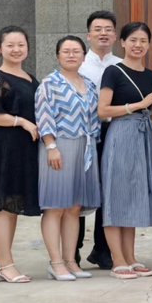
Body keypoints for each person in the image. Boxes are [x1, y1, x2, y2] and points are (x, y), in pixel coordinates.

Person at [98, 22, 152, 280]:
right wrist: (138, 104)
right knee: (116, 196)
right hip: (121, 133)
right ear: (122, 42)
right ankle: (117, 260)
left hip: (144, 135)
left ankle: (131, 257)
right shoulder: (113, 71)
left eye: (143, 40)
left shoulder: (151, 75)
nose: (138, 45)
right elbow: (103, 110)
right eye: (133, 40)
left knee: (134, 196)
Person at [35, 36, 101, 281]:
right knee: (55, 206)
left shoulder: (89, 84)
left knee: (74, 207)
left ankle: (71, 260)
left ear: (84, 55)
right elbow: (43, 116)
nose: (71, 55)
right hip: (58, 146)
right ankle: (55, 262)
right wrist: (51, 145)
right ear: (57, 56)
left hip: (85, 147)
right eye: (66, 51)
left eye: (76, 51)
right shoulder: (49, 83)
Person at [0, 26, 40, 283]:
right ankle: (5, 264)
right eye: (10, 45)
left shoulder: (29, 77)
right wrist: (21, 122)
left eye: (21, 45)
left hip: (26, 149)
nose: (16, 50)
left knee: (12, 206)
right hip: (7, 147)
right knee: (3, 206)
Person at [76, 10, 122, 270]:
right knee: (80, 192)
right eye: (97, 29)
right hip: (84, 134)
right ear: (88, 35)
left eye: (108, 29)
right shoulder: (78, 64)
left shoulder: (122, 65)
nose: (103, 33)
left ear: (115, 36)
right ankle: (73, 251)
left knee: (110, 191)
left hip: (114, 132)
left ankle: (103, 251)